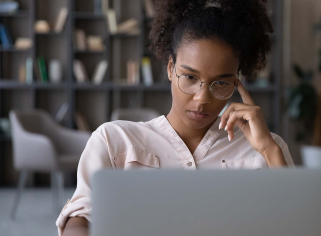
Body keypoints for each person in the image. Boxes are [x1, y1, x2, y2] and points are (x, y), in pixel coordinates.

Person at [57, 0, 294, 235]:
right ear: (171, 68)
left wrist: (269, 151)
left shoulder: (268, 151)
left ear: (236, 82)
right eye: (190, 77)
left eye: (220, 83)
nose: (202, 98)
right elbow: (80, 219)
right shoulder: (115, 141)